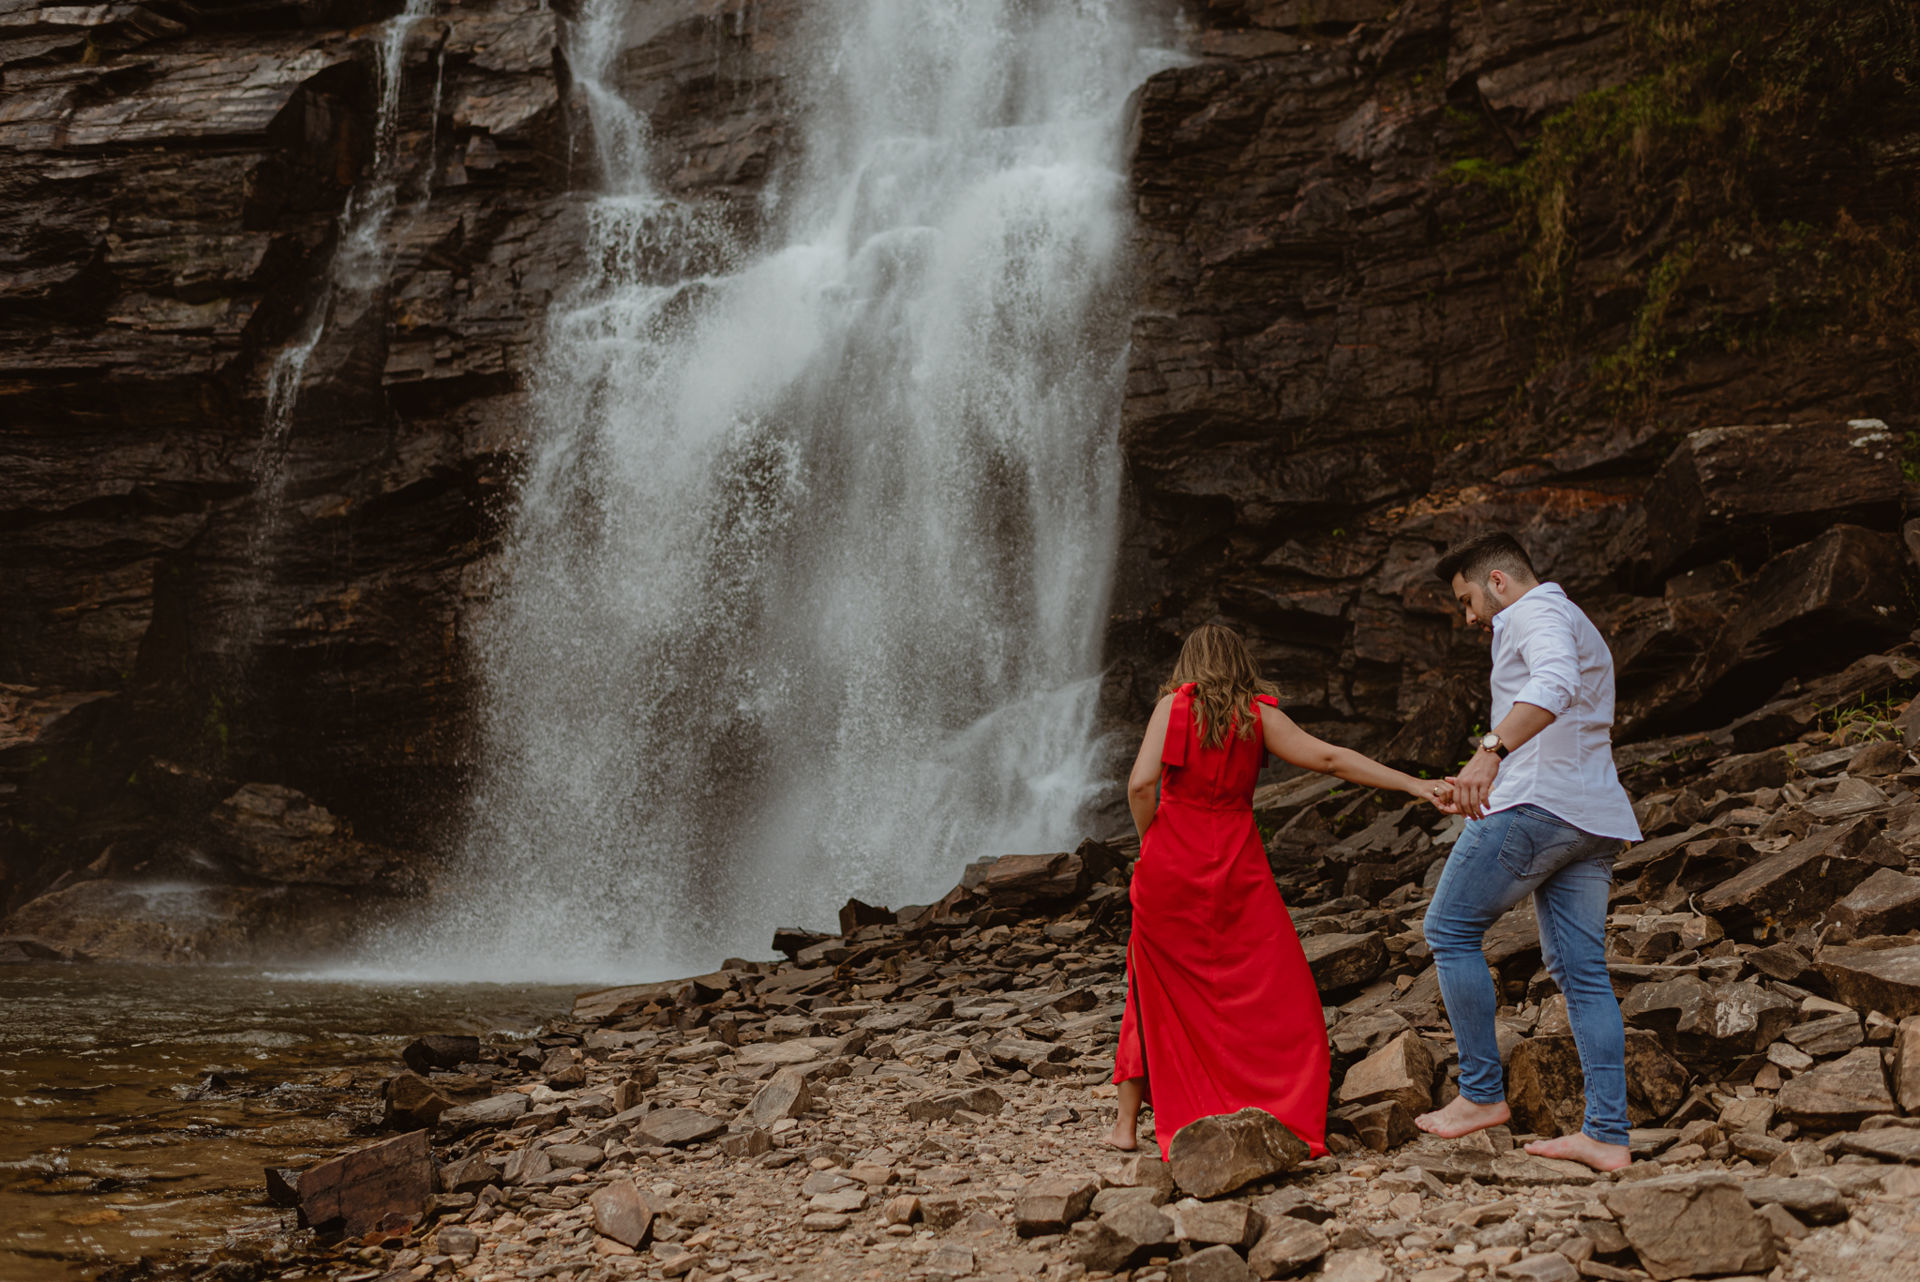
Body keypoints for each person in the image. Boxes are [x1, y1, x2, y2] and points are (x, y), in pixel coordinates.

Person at [1108, 624, 1452, 1156]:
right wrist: (1415, 784)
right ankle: (1275, 1101)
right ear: (1240, 662)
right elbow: (1332, 759)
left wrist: (1149, 840)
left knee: (1150, 985)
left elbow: (1139, 785)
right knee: (1269, 987)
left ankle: (1126, 1127)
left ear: (1189, 664)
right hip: (1236, 871)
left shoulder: (1172, 708)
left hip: (1169, 866)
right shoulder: (1259, 715)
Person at [1414, 532, 1642, 1172]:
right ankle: (1605, 1133)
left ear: (1497, 582)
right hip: (1594, 816)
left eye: (1467, 602)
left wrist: (1490, 752)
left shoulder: (1533, 612)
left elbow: (1556, 681)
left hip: (1540, 806)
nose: (1469, 619)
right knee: (1582, 972)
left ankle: (1481, 1095)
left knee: (1449, 930)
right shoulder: (1572, 617)